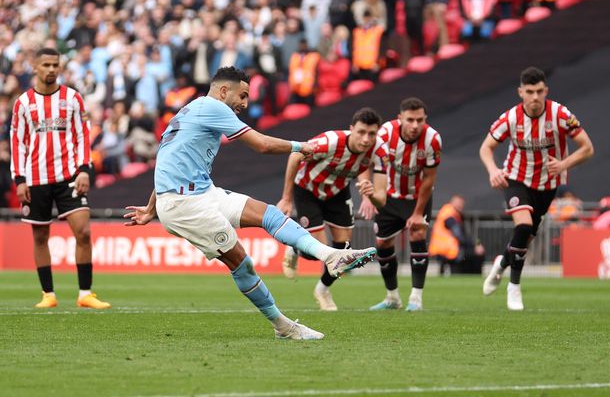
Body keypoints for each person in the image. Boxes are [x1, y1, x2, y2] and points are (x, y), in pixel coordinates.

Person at [123, 67, 376, 340]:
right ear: (223, 91)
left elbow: (167, 161)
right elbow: (262, 144)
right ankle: (284, 327)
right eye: (242, 95)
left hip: (199, 193)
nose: (245, 103)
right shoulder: (213, 107)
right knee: (241, 263)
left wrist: (151, 208)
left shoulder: (189, 110)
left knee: (267, 212)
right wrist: (300, 146)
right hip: (185, 204)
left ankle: (331, 256)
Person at [480, 66, 595, 310]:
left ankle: (501, 264)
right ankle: (514, 288)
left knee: (525, 237)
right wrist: (493, 171)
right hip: (516, 178)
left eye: (539, 91)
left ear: (546, 91)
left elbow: (587, 148)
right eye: (529, 91)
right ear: (520, 92)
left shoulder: (560, 115)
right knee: (523, 226)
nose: (534, 97)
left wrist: (563, 164)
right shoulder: (510, 118)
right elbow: (485, 147)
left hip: (547, 184)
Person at [10, 47, 110, 309]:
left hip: (69, 176)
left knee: (84, 232)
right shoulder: (23, 103)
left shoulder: (73, 98)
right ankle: (48, 295)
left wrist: (85, 170)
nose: (52, 69)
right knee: (40, 237)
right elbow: (18, 142)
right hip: (35, 177)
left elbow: (82, 136)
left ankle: (85, 293)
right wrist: (19, 178)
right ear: (35, 67)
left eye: (56, 65)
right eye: (46, 65)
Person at [277, 107, 388, 311]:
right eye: (361, 132)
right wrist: (286, 198)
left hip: (337, 192)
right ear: (351, 129)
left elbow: (381, 200)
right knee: (315, 252)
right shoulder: (330, 141)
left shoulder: (380, 152)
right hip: (308, 189)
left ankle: (322, 290)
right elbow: (295, 156)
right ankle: (294, 248)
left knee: (343, 251)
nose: (366, 139)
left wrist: (371, 194)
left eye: (372, 134)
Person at [362, 97, 442, 312]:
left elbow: (429, 179)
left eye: (420, 120)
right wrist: (366, 196)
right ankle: (392, 298)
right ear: (400, 119)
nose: (415, 125)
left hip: (417, 196)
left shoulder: (433, 139)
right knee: (383, 245)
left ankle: (416, 298)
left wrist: (417, 213)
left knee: (417, 235)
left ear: (425, 119)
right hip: (387, 196)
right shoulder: (385, 134)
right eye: (410, 120)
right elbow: (364, 161)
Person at [429, 194, 478, 276]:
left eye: (462, 204)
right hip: (447, 249)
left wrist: (476, 243)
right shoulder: (449, 215)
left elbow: (466, 235)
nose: (461, 206)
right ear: (452, 203)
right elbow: (459, 236)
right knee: (474, 255)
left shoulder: (450, 213)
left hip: (441, 248)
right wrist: (474, 245)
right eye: (459, 204)